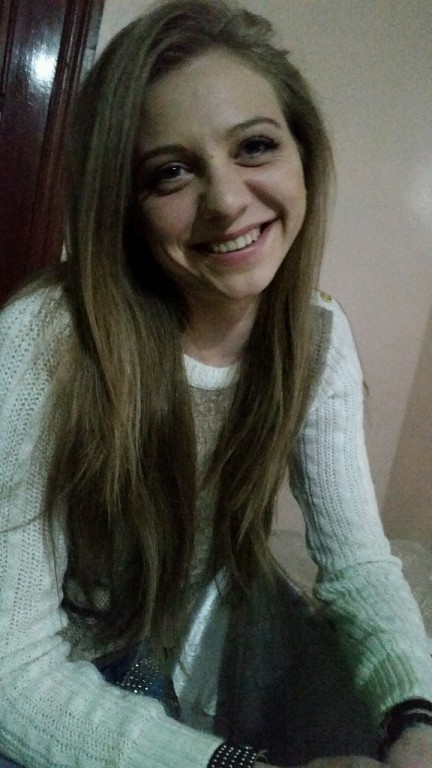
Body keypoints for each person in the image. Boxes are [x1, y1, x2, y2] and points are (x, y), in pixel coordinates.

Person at [0, 1, 431, 767]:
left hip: (175, 637)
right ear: (123, 204)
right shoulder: (44, 343)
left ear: (303, 154)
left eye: (255, 146)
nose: (228, 201)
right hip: (60, 670)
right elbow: (12, 671)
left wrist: (415, 717)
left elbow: (358, 564)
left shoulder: (316, 337)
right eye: (171, 172)